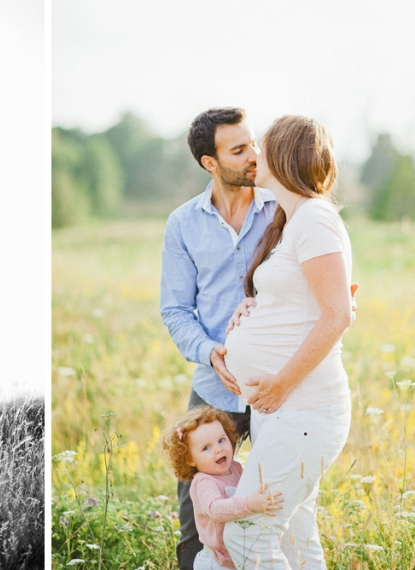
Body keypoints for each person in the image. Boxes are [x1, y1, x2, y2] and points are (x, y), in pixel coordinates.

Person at [221, 115, 352, 569]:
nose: (254, 154)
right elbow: (304, 301)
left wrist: (279, 383)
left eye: (264, 145)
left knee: (244, 535)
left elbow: (338, 313)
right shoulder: (291, 221)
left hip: (302, 409)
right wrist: (253, 307)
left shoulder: (315, 218)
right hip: (280, 413)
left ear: (285, 155)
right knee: (297, 541)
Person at [160, 107, 276, 569]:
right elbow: (175, 310)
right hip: (214, 389)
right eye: (239, 149)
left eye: (254, 143)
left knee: (277, 496)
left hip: (278, 387)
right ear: (210, 162)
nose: (255, 156)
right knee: (195, 512)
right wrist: (212, 353)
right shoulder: (183, 223)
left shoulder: (281, 209)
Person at [162, 406, 283, 569]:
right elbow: (215, 509)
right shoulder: (204, 482)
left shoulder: (235, 468)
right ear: (190, 459)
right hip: (215, 561)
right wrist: (248, 504)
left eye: (221, 440)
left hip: (237, 553)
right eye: (206, 448)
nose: (218, 449)